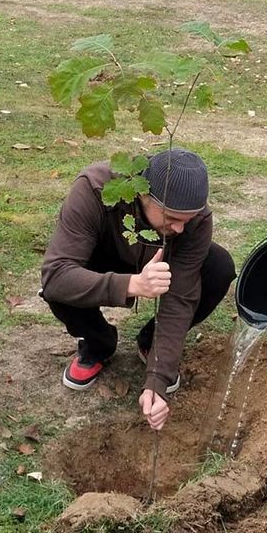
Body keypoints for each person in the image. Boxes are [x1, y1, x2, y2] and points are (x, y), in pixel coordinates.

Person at [41, 148, 235, 431]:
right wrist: (132, 284)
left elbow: (180, 297)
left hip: (158, 265)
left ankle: (151, 342)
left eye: (188, 219)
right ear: (145, 196)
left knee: (218, 267)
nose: (180, 228)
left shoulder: (197, 220)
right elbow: (55, 275)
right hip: (100, 259)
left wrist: (158, 378)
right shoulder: (94, 189)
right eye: (172, 218)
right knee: (64, 286)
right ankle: (98, 343)